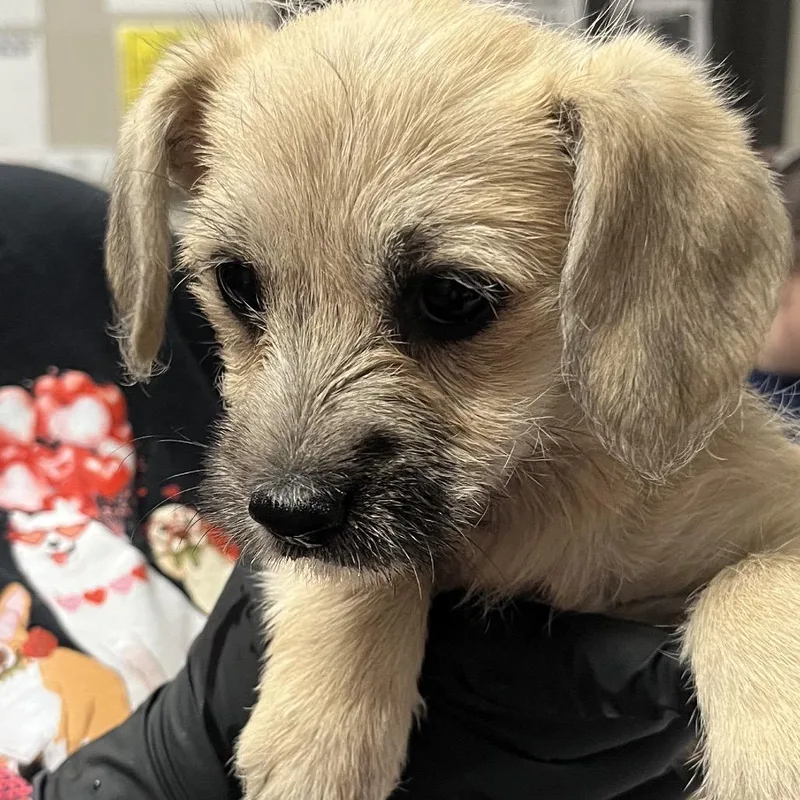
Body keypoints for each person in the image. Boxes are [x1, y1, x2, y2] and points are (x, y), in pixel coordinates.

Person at [1, 163, 696, 800]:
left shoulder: (48, 246)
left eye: (452, 299)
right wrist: (173, 768)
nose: (290, 492)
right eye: (241, 289)